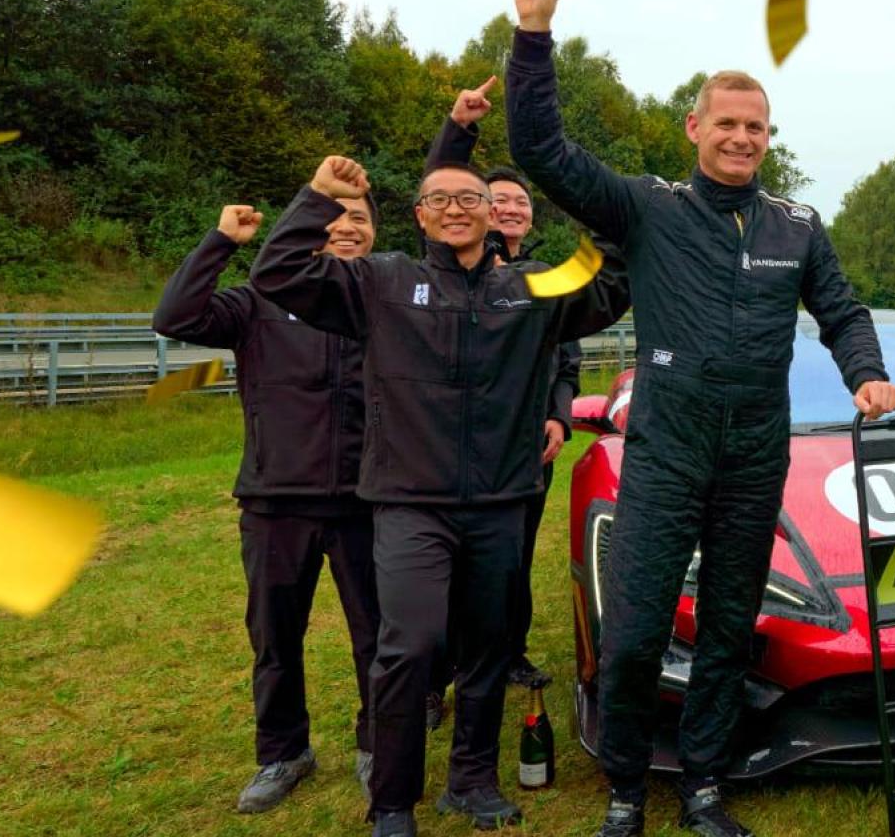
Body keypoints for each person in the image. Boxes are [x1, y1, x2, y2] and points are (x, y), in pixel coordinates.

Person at [505, 0, 895, 837]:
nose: (741, 138)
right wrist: (534, 35)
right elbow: (542, 150)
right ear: (695, 129)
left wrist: (868, 374)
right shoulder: (648, 207)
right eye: (726, 123)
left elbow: (841, 311)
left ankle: (707, 785)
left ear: (769, 140)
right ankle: (623, 788)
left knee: (729, 626)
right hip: (669, 446)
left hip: (757, 447)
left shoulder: (796, 225)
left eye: (756, 128)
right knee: (639, 627)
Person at [251, 155, 630, 837]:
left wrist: (597, 202)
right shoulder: (382, 281)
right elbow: (278, 273)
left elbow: (610, 282)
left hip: (501, 501)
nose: (455, 208)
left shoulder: (533, 288)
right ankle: (393, 802)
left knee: (487, 647)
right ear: (420, 215)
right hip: (408, 501)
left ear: (493, 213)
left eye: (470, 198)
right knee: (411, 645)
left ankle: (472, 781)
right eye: (439, 199)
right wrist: (317, 197)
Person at [152, 199, 382, 814]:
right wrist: (221, 240)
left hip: (369, 501)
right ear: (309, 229)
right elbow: (175, 316)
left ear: (376, 232)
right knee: (276, 637)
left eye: (360, 218)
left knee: (378, 637)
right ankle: (283, 752)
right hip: (275, 501)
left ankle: (377, 747)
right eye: (334, 218)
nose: (346, 228)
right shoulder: (258, 301)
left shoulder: (386, 301)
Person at [424, 80, 590, 695]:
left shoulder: (543, 278)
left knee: (512, 557)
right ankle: (441, 668)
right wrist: (458, 130)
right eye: (499, 201)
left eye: (521, 202)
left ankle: (507, 650)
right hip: (458, 444)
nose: (512, 209)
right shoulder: (458, 267)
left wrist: (559, 416)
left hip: (530, 442)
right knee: (447, 566)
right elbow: (440, 194)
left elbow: (566, 359)